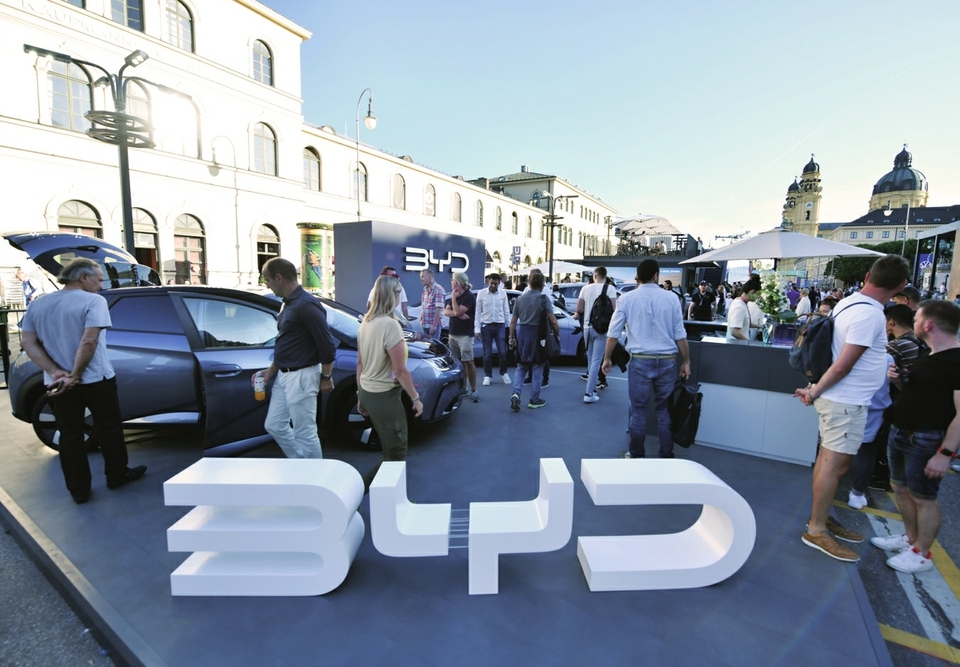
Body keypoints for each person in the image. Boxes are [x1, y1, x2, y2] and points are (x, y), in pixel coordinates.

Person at [794, 254, 909, 562]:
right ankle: (817, 529)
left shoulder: (849, 303)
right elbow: (843, 365)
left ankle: (819, 517)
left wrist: (815, 389)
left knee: (829, 462)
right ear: (901, 286)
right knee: (834, 466)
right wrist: (814, 391)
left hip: (841, 400)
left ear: (868, 276)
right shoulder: (870, 315)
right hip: (844, 401)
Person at [19, 258, 146, 504]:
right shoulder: (94, 301)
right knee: (109, 428)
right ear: (83, 277)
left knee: (70, 435)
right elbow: (89, 341)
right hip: (96, 379)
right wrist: (75, 375)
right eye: (98, 280)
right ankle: (117, 475)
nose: (101, 286)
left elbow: (28, 343)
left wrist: (56, 373)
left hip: (58, 384)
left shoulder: (39, 304)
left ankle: (79, 491)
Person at [869, 301, 960, 573]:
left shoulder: (956, 360)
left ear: (928, 324)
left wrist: (945, 454)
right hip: (902, 432)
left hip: (926, 439)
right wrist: (897, 380)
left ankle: (922, 553)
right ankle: (911, 539)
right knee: (900, 488)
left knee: (924, 497)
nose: (914, 323)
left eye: (917, 319)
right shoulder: (929, 353)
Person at [602, 259, 690, 459]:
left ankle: (636, 455)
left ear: (637, 276)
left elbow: (613, 333)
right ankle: (666, 455)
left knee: (639, 411)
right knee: (664, 411)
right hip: (668, 360)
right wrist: (686, 362)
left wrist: (607, 358)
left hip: (640, 360)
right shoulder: (671, 298)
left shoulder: (626, 299)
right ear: (656, 275)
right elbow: (680, 334)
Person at [255, 257, 336, 459]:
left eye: (267, 280)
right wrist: (271, 371)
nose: (267, 285)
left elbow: (327, 344)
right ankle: (300, 463)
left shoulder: (306, 305)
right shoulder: (288, 304)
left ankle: (315, 475)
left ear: (279, 278)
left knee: (305, 433)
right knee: (274, 425)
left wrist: (326, 377)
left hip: (302, 376)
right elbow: (287, 343)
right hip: (284, 375)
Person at [357, 275, 424, 490]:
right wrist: (416, 398)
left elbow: (360, 364)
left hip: (369, 392)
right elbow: (400, 370)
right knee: (396, 453)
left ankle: (389, 498)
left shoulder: (366, 322)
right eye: (398, 293)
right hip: (384, 396)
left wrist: (360, 396)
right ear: (392, 295)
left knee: (389, 449)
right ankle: (357, 494)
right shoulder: (390, 325)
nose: (400, 297)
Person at [508, 272, 558, 410]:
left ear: (529, 284)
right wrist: (557, 335)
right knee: (537, 367)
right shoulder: (544, 299)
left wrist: (511, 337)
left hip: (523, 335)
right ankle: (534, 399)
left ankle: (516, 393)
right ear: (542, 285)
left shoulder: (520, 299)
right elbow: (553, 321)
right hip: (538, 337)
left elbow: (513, 321)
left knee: (521, 366)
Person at [575, 267, 616, 404]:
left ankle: (592, 388)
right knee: (597, 360)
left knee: (591, 360)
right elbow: (615, 309)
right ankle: (589, 393)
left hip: (587, 327)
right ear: (605, 276)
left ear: (595, 276)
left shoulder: (585, 288)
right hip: (602, 328)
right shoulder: (610, 289)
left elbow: (578, 308)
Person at [444, 272, 478, 402]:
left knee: (468, 361)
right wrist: (456, 313)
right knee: (458, 362)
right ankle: (463, 387)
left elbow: (457, 311)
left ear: (457, 282)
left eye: (452, 280)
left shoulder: (468, 296)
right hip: (453, 333)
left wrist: (454, 299)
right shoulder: (455, 294)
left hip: (465, 334)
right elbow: (446, 312)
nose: (451, 282)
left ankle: (474, 390)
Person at [475, 272, 511, 386]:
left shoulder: (503, 294)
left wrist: (509, 328)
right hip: (486, 326)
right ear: (488, 282)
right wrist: (477, 329)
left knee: (503, 352)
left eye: (496, 283)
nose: (493, 286)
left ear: (499, 283)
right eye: (491, 283)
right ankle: (487, 375)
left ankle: (504, 372)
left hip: (500, 325)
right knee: (487, 353)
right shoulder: (481, 293)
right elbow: (478, 312)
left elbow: (506, 311)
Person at [726, 276, 761, 341]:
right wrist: (748, 342)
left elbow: (745, 323)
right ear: (752, 292)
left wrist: (761, 326)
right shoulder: (739, 306)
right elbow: (734, 331)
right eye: (758, 294)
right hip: (738, 345)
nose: (759, 297)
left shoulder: (741, 302)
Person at [418, 268, 445, 338]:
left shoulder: (438, 289)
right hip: (425, 324)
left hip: (433, 325)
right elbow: (423, 305)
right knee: (426, 343)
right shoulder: (424, 289)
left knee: (433, 344)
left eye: (423, 277)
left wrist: (434, 325)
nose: (421, 279)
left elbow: (438, 308)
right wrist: (421, 318)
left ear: (430, 277)